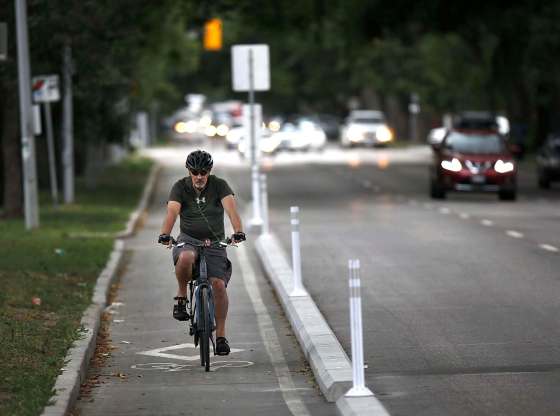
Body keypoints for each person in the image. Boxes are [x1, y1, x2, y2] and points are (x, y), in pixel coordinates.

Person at [158, 149, 245, 355]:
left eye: (203, 172)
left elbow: (231, 210)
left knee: (218, 286)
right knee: (186, 256)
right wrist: (165, 234)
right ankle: (181, 297)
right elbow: (172, 211)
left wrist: (238, 231)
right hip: (188, 239)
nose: (199, 176)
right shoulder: (180, 187)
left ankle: (221, 336)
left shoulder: (219, 185)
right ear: (189, 171)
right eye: (195, 172)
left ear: (209, 171)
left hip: (215, 242)